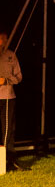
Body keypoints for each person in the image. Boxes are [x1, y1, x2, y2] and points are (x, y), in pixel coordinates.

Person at [0, 30, 23, 171]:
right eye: (0, 38)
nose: (2, 42)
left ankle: (8, 160)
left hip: (7, 97)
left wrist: (6, 80)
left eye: (5, 39)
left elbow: (19, 77)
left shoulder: (11, 55)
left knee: (8, 129)